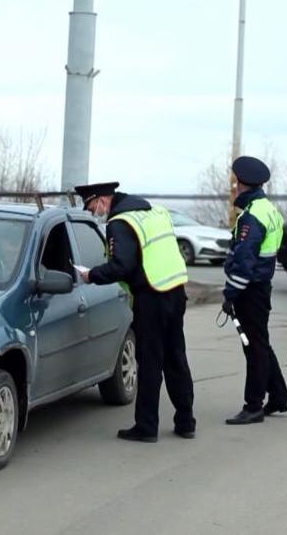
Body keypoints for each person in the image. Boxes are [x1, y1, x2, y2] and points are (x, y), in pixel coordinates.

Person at [74, 182, 196, 442]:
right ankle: (186, 421)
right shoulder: (154, 212)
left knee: (150, 362)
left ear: (103, 200)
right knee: (176, 358)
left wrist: (90, 275)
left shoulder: (119, 223)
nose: (94, 213)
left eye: (92, 206)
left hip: (152, 296)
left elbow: (121, 266)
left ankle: (147, 426)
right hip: (176, 290)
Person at [222, 156, 287, 425]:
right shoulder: (270, 210)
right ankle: (279, 397)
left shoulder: (252, 217)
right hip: (262, 287)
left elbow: (244, 263)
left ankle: (253, 405)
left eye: (234, 182)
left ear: (240, 183)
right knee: (261, 344)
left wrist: (230, 295)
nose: (233, 187)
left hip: (251, 291)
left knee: (253, 348)